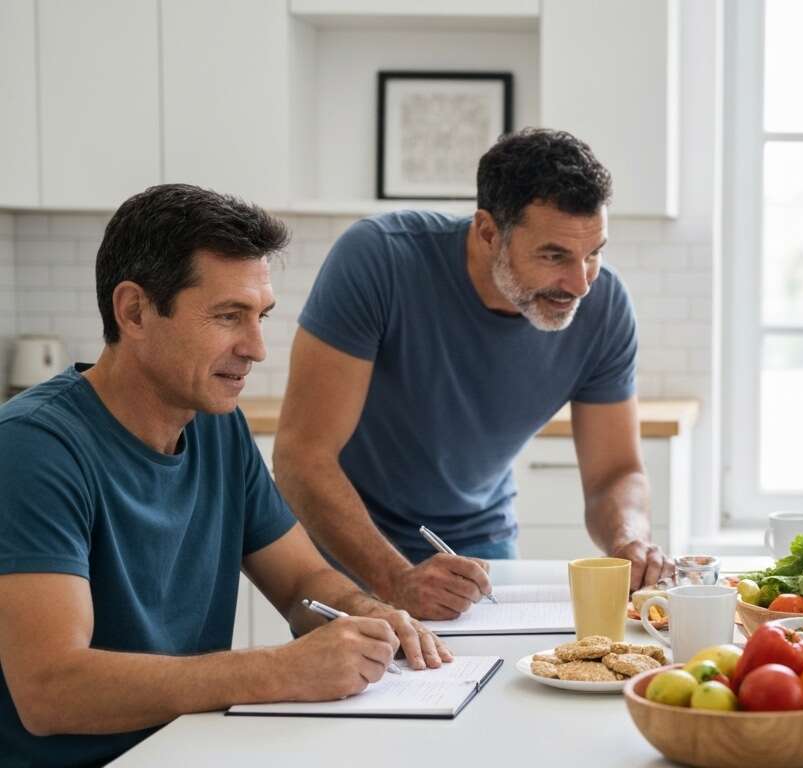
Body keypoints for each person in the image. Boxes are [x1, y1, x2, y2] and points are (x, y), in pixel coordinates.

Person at [0, 184, 451, 767]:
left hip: (191, 747)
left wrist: (366, 611)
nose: (258, 348)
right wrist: (277, 670)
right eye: (228, 316)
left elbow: (299, 582)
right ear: (134, 311)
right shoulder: (33, 448)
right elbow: (51, 691)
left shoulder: (217, 424)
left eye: (259, 316)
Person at [274, 128, 671, 620]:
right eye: (554, 256)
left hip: (481, 543)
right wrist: (395, 580)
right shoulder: (379, 259)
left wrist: (629, 536)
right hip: (351, 539)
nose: (581, 283)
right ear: (487, 231)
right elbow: (301, 458)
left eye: (594, 253)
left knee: (495, 686)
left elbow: (616, 472)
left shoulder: (605, 308)